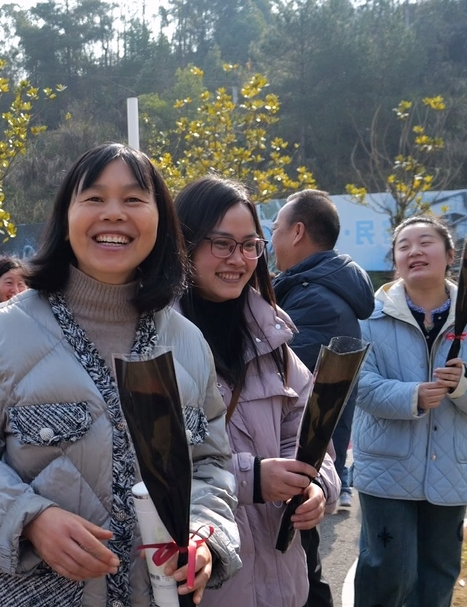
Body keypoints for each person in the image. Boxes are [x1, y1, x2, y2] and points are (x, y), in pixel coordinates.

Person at [0, 144, 241, 607]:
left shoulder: (188, 344)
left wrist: (203, 535)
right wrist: (29, 519)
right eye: (93, 198)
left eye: (133, 199)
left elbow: (212, 464)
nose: (113, 214)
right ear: (65, 217)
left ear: (161, 221)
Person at [173, 175, 339, 607]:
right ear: (183, 244)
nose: (239, 259)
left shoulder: (273, 338)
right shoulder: (151, 342)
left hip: (284, 578)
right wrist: (251, 478)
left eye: (250, 245)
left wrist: (317, 486)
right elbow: (142, 462)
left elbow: (312, 440)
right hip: (206, 580)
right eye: (222, 244)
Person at [352, 215, 467, 607]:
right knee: (389, 569)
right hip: (387, 467)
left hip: (450, 468)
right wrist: (413, 395)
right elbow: (359, 385)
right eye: (404, 246)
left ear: (450, 254)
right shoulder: (369, 317)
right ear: (395, 261)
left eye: (425, 243)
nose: (414, 251)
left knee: (439, 573)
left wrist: (460, 388)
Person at [270, 189, 373, 607]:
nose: (270, 239)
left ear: (297, 232)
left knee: (301, 578)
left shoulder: (317, 302)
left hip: (296, 463)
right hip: (293, 466)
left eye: (274, 228)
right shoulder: (310, 289)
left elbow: (281, 390)